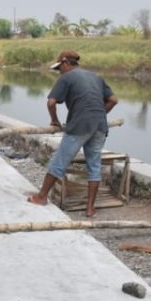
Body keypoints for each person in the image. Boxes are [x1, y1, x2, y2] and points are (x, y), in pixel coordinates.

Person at [28, 50, 119, 217]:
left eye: (59, 68)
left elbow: (51, 102)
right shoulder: (96, 77)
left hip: (79, 126)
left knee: (60, 161)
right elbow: (113, 100)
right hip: (100, 125)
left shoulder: (66, 77)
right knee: (94, 166)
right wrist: (99, 114)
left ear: (65, 63)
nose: (59, 72)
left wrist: (54, 121)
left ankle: (41, 197)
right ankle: (90, 209)